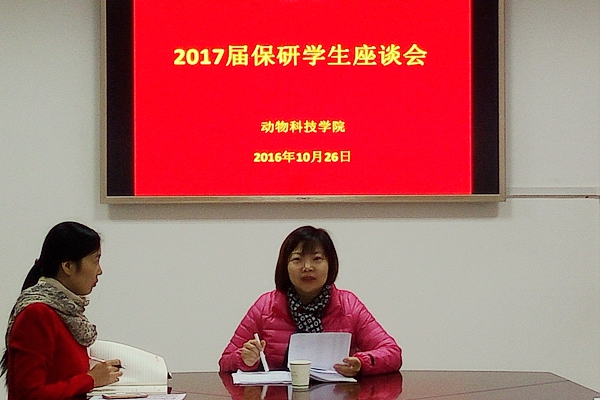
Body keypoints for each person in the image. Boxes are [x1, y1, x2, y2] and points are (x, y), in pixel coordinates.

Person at [219, 226, 402, 377]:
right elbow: (225, 361)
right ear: (285, 266)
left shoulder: (348, 305)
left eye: (317, 259)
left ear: (330, 264)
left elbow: (393, 353)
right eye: (297, 260)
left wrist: (361, 363)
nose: (307, 267)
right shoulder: (265, 306)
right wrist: (244, 359)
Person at [1, 221, 123, 399]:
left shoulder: (66, 311)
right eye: (96, 261)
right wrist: (90, 379)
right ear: (68, 266)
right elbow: (29, 395)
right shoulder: (37, 314)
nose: (100, 271)